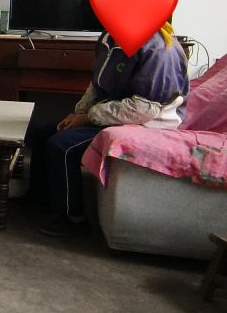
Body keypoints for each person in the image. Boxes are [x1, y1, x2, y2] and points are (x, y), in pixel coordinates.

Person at [32, 22, 189, 236]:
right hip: (112, 111)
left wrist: (88, 117)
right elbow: (96, 85)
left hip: (146, 121)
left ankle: (71, 217)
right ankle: (40, 199)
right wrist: (79, 113)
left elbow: (144, 108)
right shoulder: (109, 37)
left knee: (62, 146)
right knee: (43, 132)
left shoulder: (158, 48)